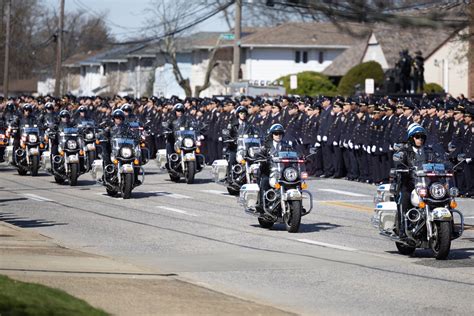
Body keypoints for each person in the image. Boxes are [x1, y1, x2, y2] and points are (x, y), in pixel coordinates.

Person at [393, 123, 435, 238]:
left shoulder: (429, 151)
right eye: (417, 137)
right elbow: (398, 160)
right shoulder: (405, 150)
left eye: (422, 137)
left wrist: (448, 165)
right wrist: (401, 167)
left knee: (444, 197)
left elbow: (440, 160)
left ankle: (449, 226)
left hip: (426, 183)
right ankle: (401, 228)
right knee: (404, 198)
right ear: (412, 138)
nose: (420, 139)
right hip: (410, 183)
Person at [257, 123, 294, 212]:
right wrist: (260, 157)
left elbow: (295, 153)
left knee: (297, 182)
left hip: (284, 172)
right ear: (271, 134)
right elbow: (259, 154)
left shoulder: (286, 146)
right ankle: (262, 205)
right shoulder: (266, 145)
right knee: (265, 181)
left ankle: (297, 205)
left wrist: (303, 157)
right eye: (276, 134)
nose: (278, 136)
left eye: (280, 134)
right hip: (270, 171)